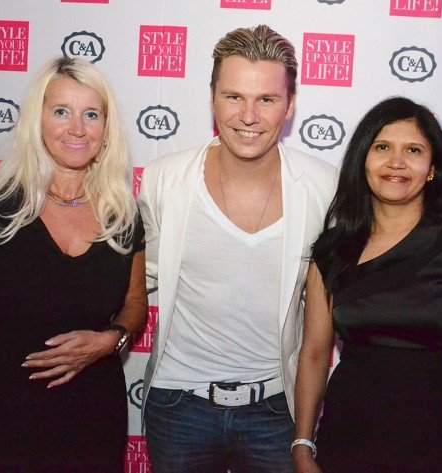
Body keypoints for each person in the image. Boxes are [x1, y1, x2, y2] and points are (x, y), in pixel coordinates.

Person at [293, 97, 442, 473]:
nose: (396, 162)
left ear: (432, 168)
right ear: (362, 160)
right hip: (348, 446)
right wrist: (303, 447)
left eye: (414, 150)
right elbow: (313, 354)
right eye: (382, 147)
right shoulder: (331, 249)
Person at [138, 25, 336, 473]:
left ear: (290, 104)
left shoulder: (325, 188)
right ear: (212, 98)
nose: (249, 116)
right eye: (233, 97)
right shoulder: (164, 179)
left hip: (277, 411)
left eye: (266, 99)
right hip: (178, 406)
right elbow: (131, 280)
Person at [0, 57, 147, 473]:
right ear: (38, 120)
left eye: (92, 114)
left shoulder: (123, 213)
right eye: (61, 112)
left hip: (94, 418)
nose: (77, 128)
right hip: (3, 415)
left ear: (106, 129)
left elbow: (135, 303)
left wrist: (110, 341)